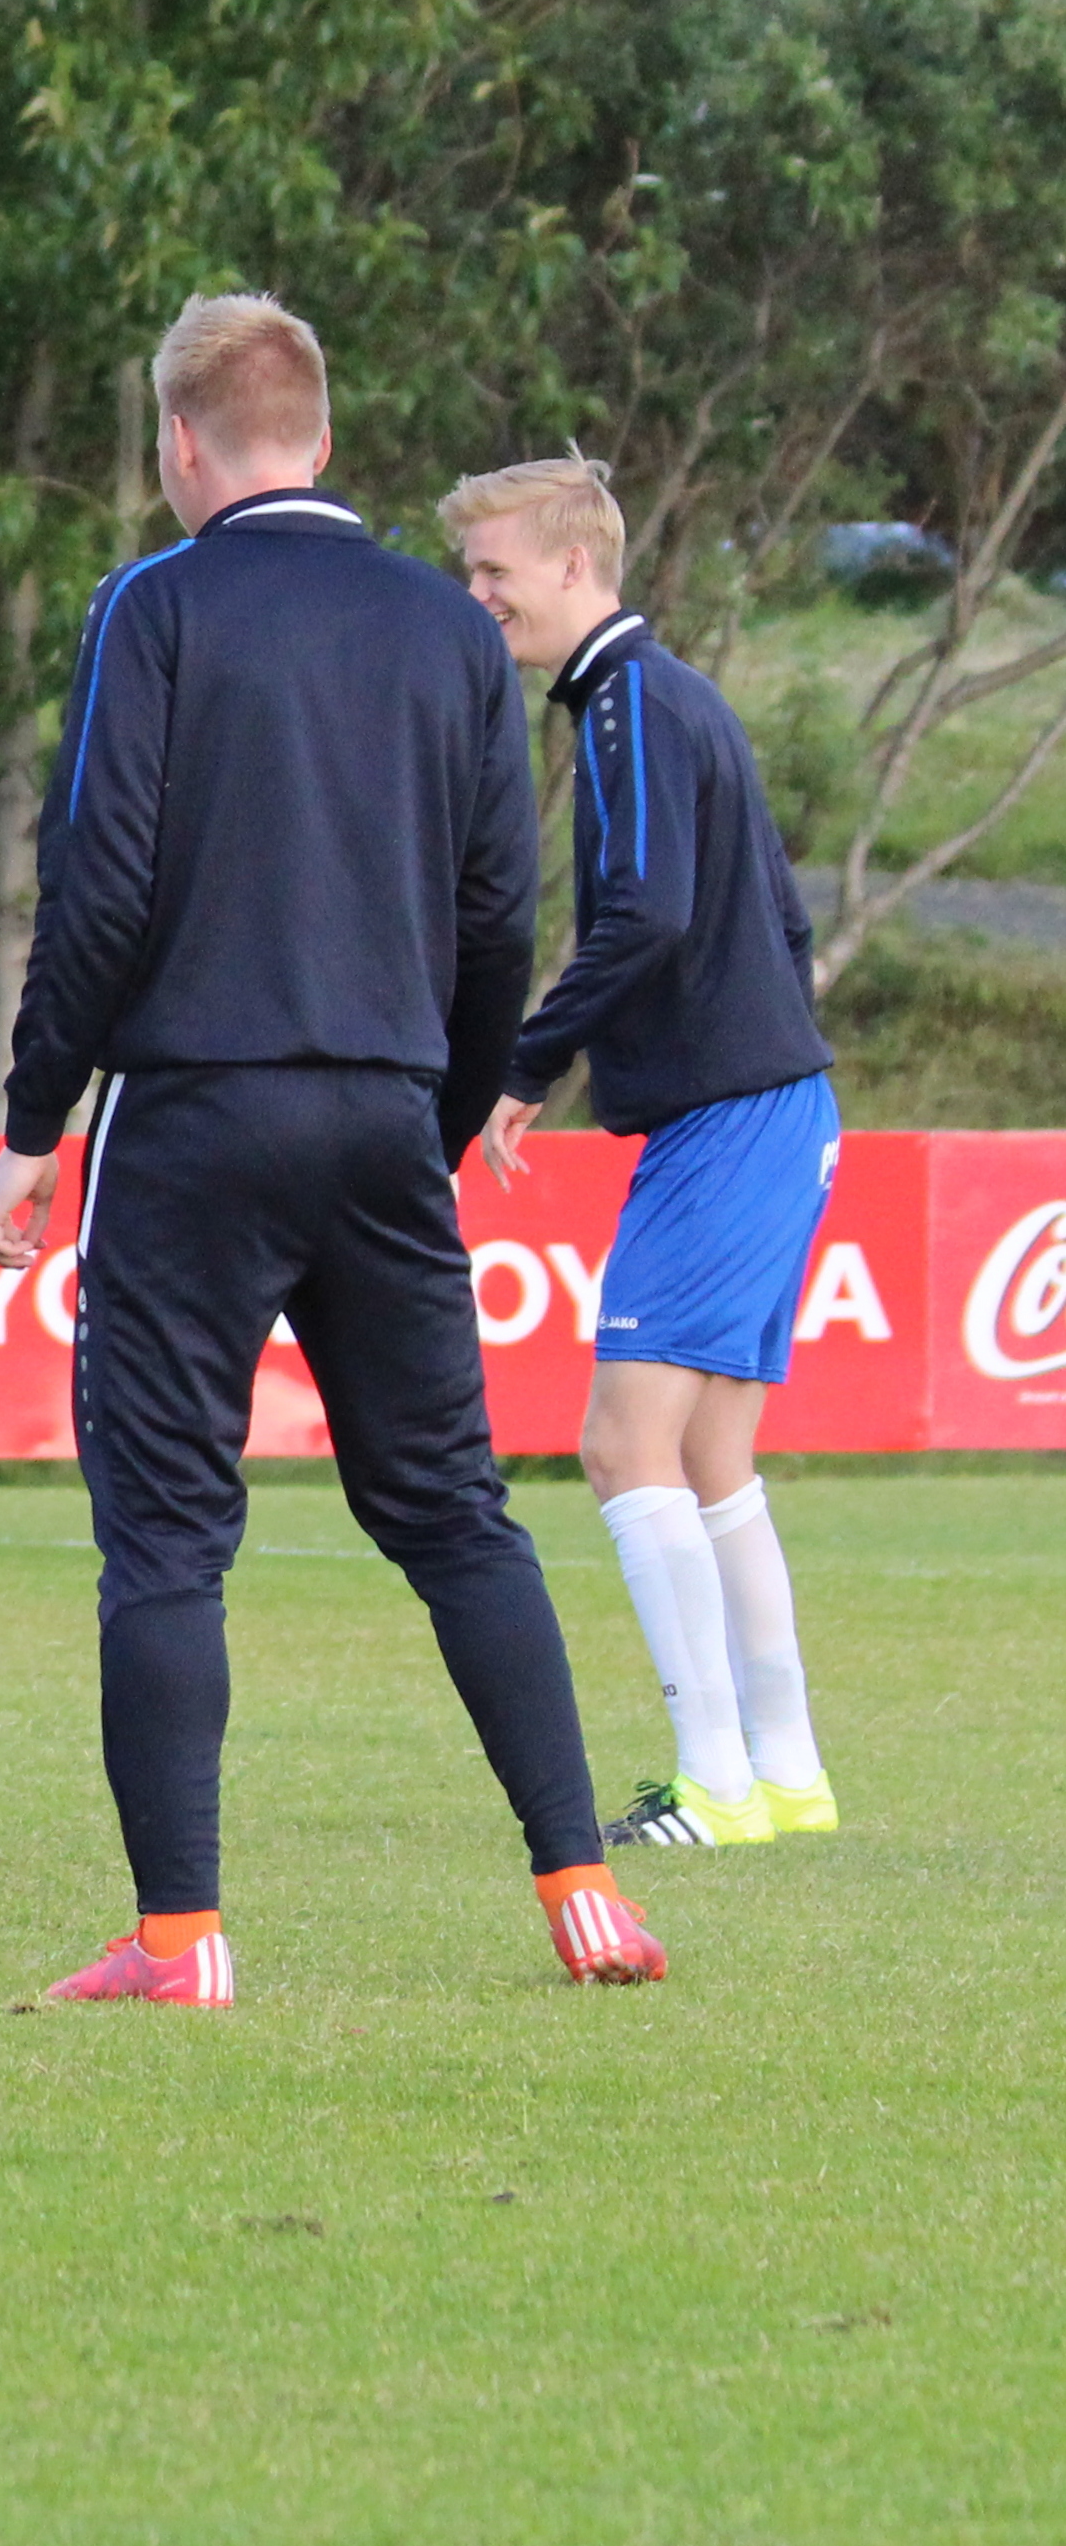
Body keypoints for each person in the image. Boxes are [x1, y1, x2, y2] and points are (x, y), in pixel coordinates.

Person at [0, 293, 663, 2005]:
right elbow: (501, 913)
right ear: (327, 437)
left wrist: (34, 1123)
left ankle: (180, 1939)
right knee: (455, 1514)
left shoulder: (152, 606)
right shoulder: (447, 627)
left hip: (195, 1111)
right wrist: (439, 1109)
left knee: (167, 1537)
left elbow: (98, 886)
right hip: (381, 1109)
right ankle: (584, 1887)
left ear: (178, 443)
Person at [449, 452, 844, 1849]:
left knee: (621, 1445)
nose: (476, 595)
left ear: (574, 565)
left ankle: (714, 1781)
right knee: (711, 1450)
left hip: (731, 1122)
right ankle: (783, 1774)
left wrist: (522, 1064)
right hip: (772, 1111)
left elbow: (646, 916)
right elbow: (781, 920)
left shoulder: (623, 702)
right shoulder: (671, 695)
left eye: (492, 570)